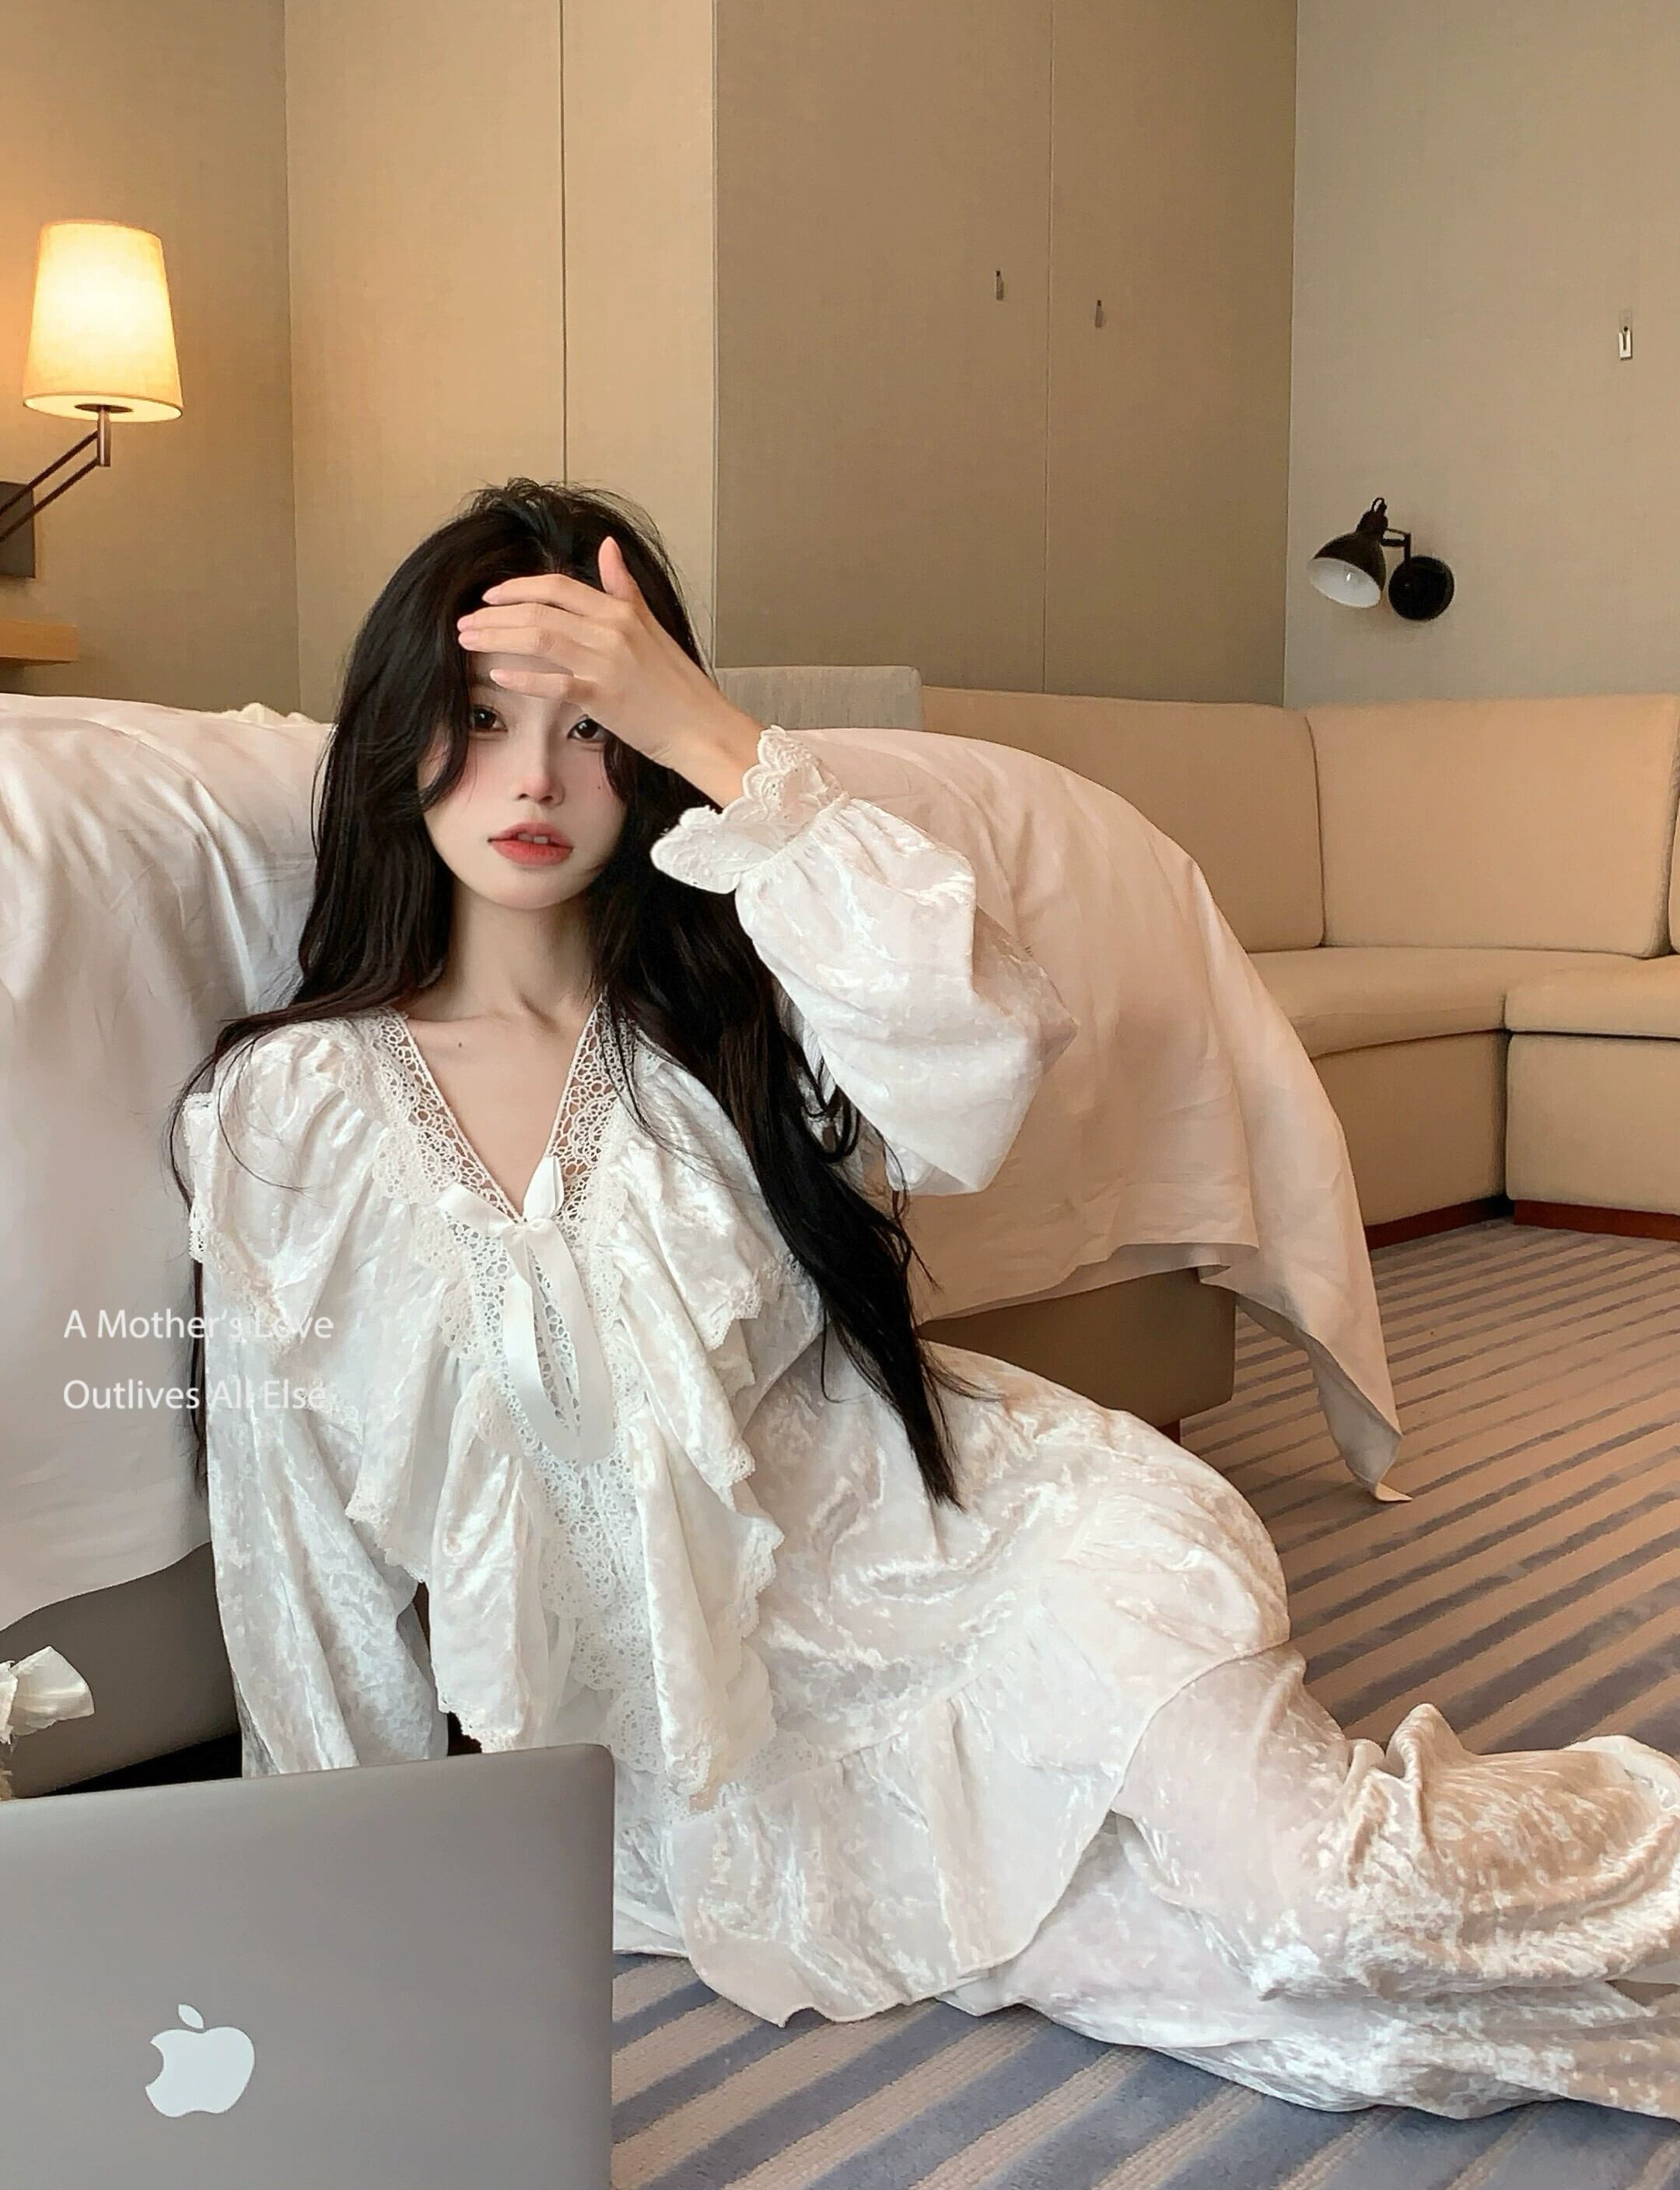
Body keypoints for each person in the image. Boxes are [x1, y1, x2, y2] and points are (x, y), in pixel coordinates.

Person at [169, 478, 1680, 2120]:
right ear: (397, 734)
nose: (535, 778)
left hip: (1008, 1567)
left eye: (590, 725)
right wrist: (342, 1880)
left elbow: (977, 1065)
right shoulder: (289, 1111)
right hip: (751, 1779)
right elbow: (294, 1537)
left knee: (1333, 1904)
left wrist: (714, 735)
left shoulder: (734, 1024)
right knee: (1314, 2021)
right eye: (480, 717)